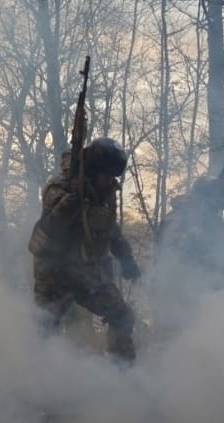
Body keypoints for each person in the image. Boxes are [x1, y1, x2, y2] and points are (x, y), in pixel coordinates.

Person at [28, 137, 141, 364]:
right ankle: (37, 378)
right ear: (93, 171)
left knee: (122, 315)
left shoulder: (104, 191)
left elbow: (109, 226)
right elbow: (51, 226)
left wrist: (126, 257)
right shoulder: (58, 187)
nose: (111, 182)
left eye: (113, 177)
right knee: (44, 329)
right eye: (107, 176)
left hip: (86, 271)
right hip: (54, 273)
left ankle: (122, 373)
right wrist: (73, 199)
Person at [151, 176, 224, 340]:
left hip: (203, 295)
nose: (216, 212)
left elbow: (222, 259)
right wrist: (196, 240)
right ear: (202, 201)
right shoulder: (177, 219)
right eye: (213, 207)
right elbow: (169, 256)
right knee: (173, 343)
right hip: (175, 296)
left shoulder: (211, 223)